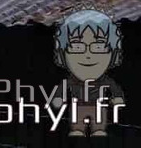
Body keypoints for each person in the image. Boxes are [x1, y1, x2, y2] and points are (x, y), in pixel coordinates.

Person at [53, 9, 125, 137]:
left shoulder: (104, 80)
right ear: (62, 54)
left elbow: (114, 89)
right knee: (77, 120)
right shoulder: (71, 80)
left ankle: (98, 129)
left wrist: (117, 97)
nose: (87, 55)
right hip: (79, 105)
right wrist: (58, 98)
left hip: (98, 105)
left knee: (99, 119)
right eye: (77, 47)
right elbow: (62, 89)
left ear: (113, 53)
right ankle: (78, 129)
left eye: (98, 47)